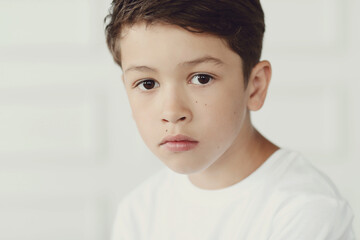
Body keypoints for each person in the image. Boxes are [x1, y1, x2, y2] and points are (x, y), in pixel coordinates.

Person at [104, 0, 355, 239]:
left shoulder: (305, 213)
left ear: (255, 87)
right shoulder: (138, 212)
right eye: (147, 83)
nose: (172, 111)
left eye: (202, 78)